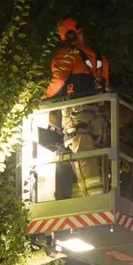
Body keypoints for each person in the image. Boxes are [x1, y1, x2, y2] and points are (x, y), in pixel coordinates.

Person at [42, 16, 111, 197]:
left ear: (68, 35)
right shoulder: (100, 59)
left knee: (83, 160)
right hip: (98, 118)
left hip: (77, 115)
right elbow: (104, 89)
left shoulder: (67, 54)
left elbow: (58, 81)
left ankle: (94, 200)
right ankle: (100, 196)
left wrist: (42, 100)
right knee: (96, 160)